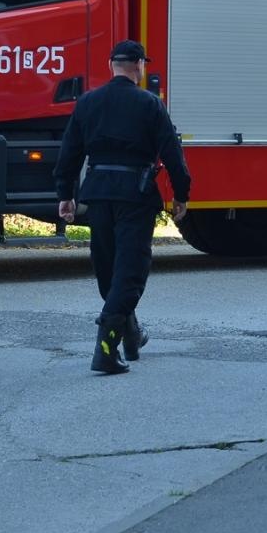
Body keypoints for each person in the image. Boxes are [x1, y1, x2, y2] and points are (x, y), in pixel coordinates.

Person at [54, 40, 191, 374]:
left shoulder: (87, 102)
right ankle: (105, 348)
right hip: (135, 195)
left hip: (98, 194)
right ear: (139, 66)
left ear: (110, 65)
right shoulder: (149, 104)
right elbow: (172, 152)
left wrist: (65, 194)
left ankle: (131, 336)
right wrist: (181, 194)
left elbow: (69, 152)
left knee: (109, 270)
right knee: (130, 272)